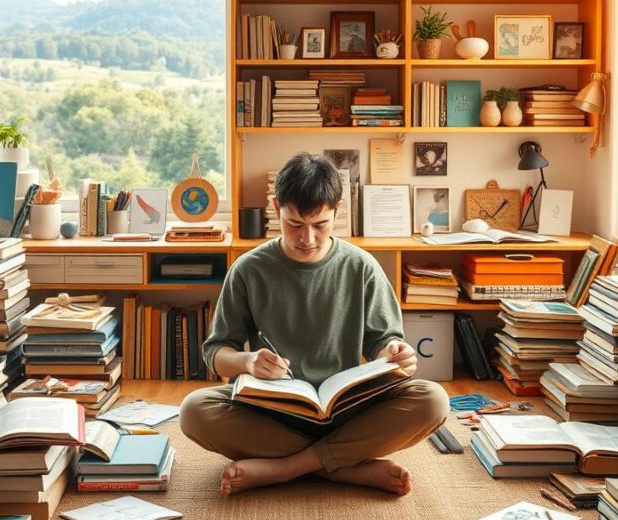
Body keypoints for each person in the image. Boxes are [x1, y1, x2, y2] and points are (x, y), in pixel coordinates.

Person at [180, 153, 449, 497]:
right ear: (276, 207)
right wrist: (248, 362)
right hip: (272, 412)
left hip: (348, 410)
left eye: (320, 225)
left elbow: (384, 342)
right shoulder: (248, 270)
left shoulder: (361, 267)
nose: (307, 238)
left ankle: (288, 468)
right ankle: (344, 467)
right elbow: (215, 352)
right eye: (294, 224)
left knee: (434, 401)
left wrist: (394, 353)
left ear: (337, 210)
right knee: (194, 411)